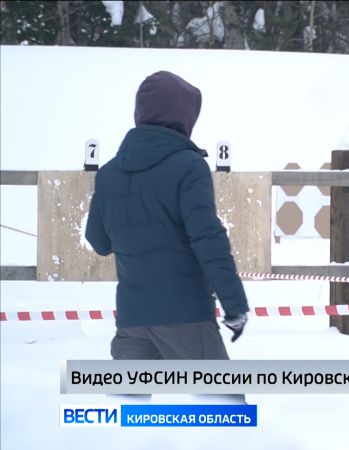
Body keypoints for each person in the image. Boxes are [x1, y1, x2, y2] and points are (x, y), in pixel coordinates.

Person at [85, 71, 249, 375]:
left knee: (127, 413)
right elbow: (208, 239)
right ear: (184, 116)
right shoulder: (190, 167)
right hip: (186, 314)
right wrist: (234, 303)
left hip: (132, 318)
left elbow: (99, 242)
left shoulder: (109, 173)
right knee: (225, 413)